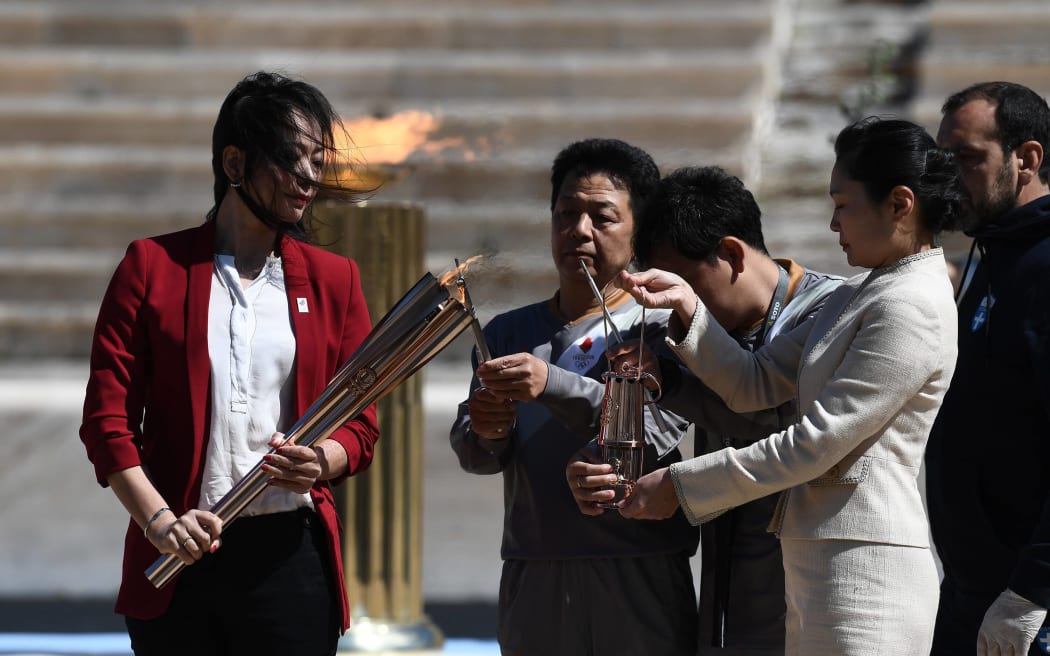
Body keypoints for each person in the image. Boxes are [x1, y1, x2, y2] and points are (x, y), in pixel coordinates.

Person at [585, 117, 963, 654]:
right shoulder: (857, 293)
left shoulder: (911, 303)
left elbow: (816, 444)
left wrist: (682, 485)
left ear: (900, 204)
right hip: (812, 569)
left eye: (844, 203)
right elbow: (754, 382)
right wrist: (688, 304)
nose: (833, 223)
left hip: (868, 575)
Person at [79, 71, 380, 656]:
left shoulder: (334, 280)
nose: (309, 180)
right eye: (291, 160)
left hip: (290, 561)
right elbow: (107, 422)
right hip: (177, 554)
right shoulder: (151, 267)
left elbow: (362, 425)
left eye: (318, 161)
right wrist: (161, 523)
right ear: (235, 164)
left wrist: (321, 460)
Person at [567, 165, 842, 654]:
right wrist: (596, 461)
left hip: (816, 595)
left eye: (689, 290)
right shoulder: (689, 329)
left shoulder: (831, 312)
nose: (681, 309)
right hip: (729, 599)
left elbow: (793, 428)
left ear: (732, 254)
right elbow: (658, 419)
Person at [449, 138, 699, 656]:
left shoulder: (665, 330)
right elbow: (477, 453)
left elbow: (655, 429)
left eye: (602, 217)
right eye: (566, 214)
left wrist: (553, 383)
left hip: (638, 573)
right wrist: (487, 431)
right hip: (535, 572)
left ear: (639, 232)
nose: (579, 231)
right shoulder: (508, 332)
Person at [927, 81, 1050, 656]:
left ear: (1026, 160)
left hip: (1029, 611)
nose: (949, 180)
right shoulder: (990, 255)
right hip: (971, 595)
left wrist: (1031, 591)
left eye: (967, 159)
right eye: (941, 160)